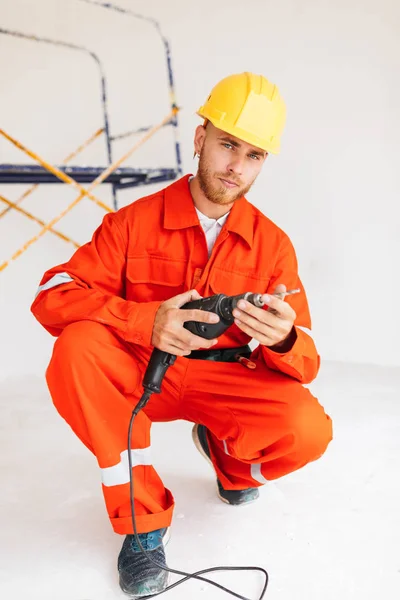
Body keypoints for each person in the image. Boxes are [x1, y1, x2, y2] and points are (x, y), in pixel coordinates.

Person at [31, 72, 333, 598]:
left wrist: (284, 339)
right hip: (141, 377)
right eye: (227, 145)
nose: (237, 166)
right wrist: (143, 320)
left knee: (309, 429)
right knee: (76, 349)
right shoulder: (131, 224)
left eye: (254, 155)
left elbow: (307, 364)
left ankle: (229, 462)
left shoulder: (273, 246)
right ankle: (143, 524)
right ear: (200, 139)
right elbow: (54, 294)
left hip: (224, 383)